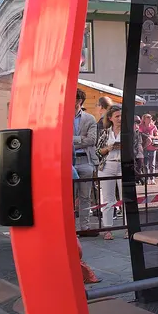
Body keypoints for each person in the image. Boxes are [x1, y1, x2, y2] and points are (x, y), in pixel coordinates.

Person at [73, 89, 98, 234]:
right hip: (68, 161)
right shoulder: (62, 117)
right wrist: (81, 140)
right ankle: (70, 228)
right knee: (69, 196)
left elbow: (92, 140)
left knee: (85, 196)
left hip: (85, 160)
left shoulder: (89, 119)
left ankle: (84, 227)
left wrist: (72, 140)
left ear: (79, 101)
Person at [96, 104, 123, 240]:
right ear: (111, 118)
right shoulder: (106, 132)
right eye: (117, 116)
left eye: (121, 116)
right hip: (107, 166)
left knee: (126, 199)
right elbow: (98, 151)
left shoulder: (130, 131)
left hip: (123, 166)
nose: (120, 118)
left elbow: (136, 149)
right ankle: (108, 229)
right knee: (108, 199)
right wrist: (109, 148)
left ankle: (128, 229)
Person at [138, 114, 158, 184]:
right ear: (144, 119)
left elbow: (157, 136)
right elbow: (139, 134)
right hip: (144, 147)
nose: (150, 119)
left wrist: (152, 136)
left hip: (152, 147)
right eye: (148, 118)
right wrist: (147, 136)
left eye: (150, 117)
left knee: (152, 164)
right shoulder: (141, 126)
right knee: (145, 164)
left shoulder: (153, 126)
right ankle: (146, 179)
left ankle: (152, 178)